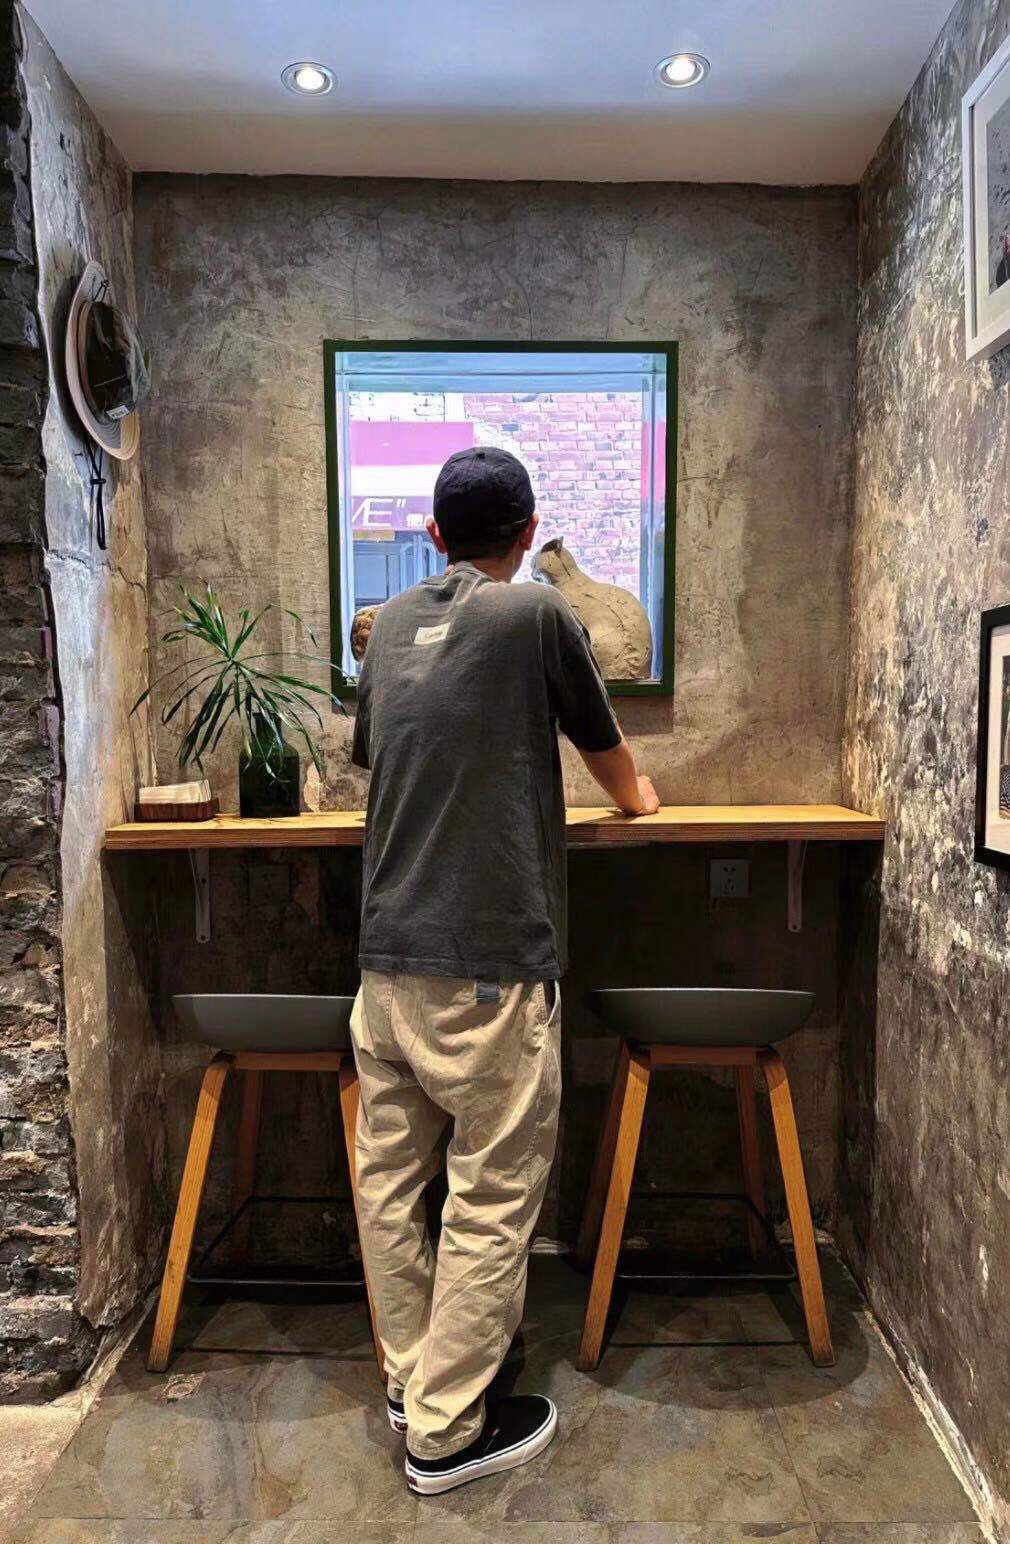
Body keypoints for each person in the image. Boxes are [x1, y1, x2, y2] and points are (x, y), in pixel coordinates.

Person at [349, 445, 659, 1496]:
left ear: (434, 536)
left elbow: (385, 755)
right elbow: (608, 757)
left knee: (392, 1183)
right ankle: (444, 1434)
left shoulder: (392, 623)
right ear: (529, 533)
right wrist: (643, 802)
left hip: (384, 962)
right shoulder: (535, 612)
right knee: (490, 1191)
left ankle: (413, 1381)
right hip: (485, 965)